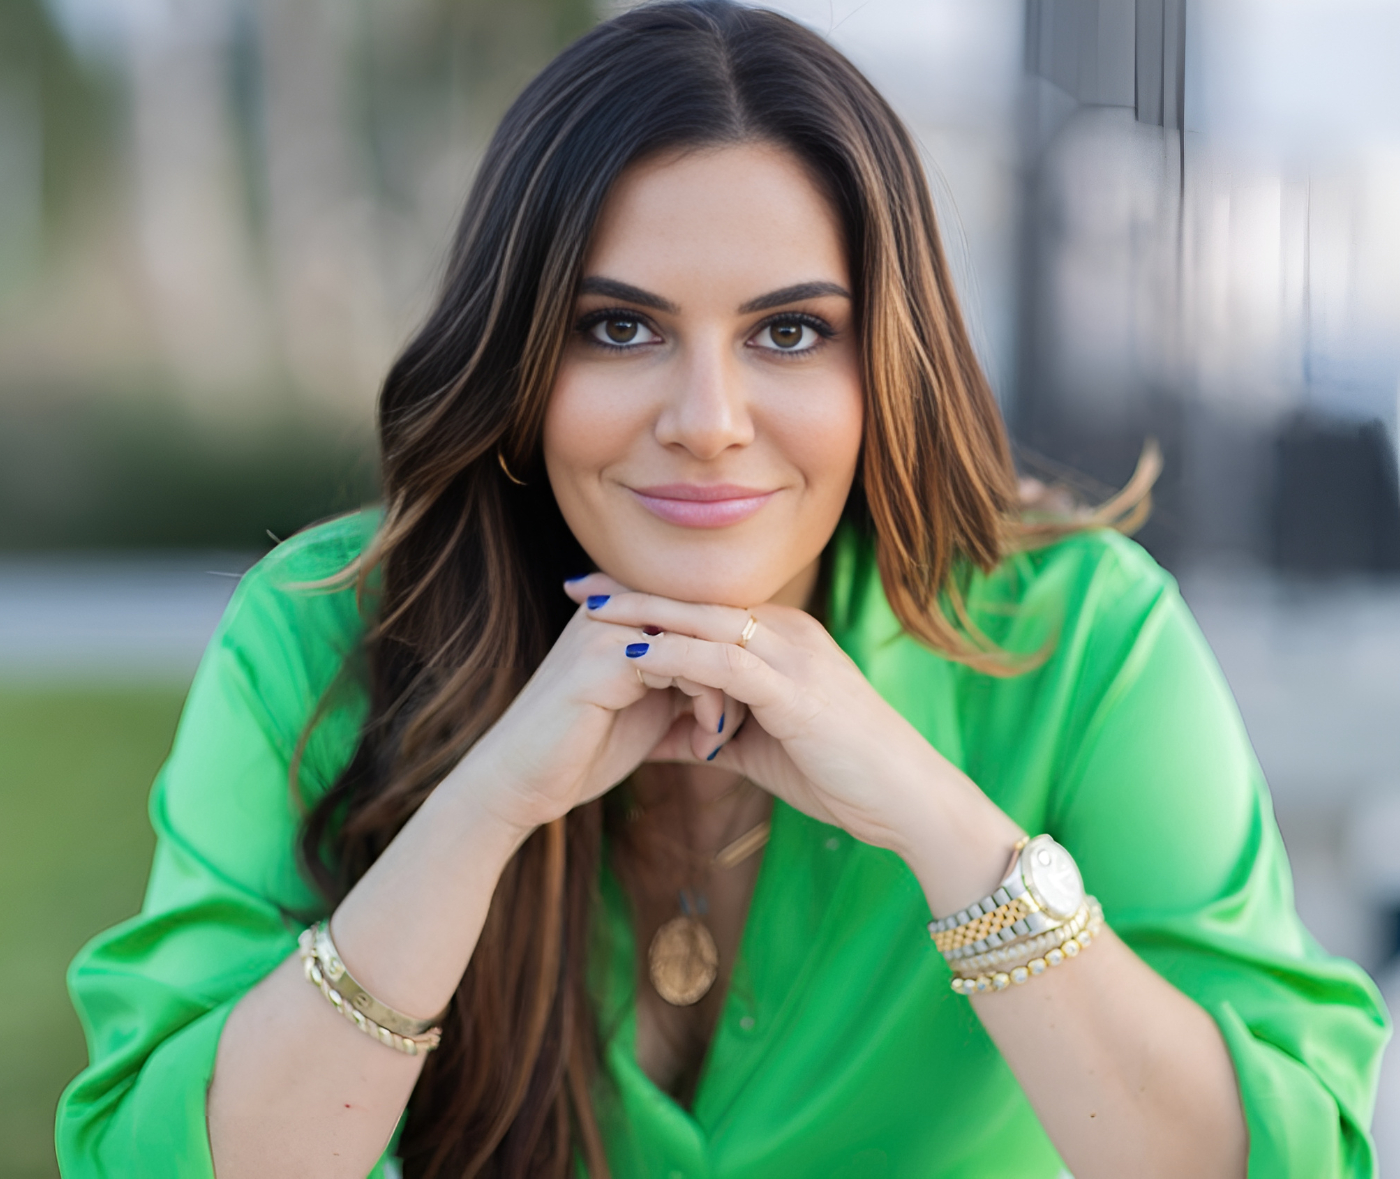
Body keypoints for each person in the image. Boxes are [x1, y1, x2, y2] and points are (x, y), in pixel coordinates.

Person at [58, 3, 1388, 1177]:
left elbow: (1285, 1163)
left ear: (888, 363)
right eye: (618, 326)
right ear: (517, 354)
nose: (708, 420)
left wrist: (940, 826)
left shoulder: (1088, 642)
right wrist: (482, 811)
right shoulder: (324, 627)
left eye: (790, 332)